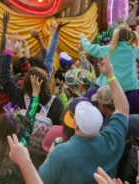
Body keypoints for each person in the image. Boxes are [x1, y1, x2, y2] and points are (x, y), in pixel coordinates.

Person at [38, 53, 129, 183]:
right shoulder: (113, 139)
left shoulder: (60, 154)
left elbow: (38, 180)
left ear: (75, 125)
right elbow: (123, 109)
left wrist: (50, 155)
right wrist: (110, 75)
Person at [80, 25, 139, 114]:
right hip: (130, 92)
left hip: (107, 90)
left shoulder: (109, 49)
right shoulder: (134, 50)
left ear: (115, 36)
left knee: (87, 100)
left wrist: (83, 39)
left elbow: (91, 49)